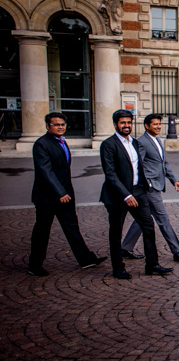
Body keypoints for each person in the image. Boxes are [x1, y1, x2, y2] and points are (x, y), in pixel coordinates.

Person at [28, 112, 107, 276]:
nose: (60, 127)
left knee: (72, 228)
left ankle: (86, 259)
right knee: (42, 231)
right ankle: (34, 266)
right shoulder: (41, 144)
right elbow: (45, 172)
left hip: (66, 195)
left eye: (62, 124)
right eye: (56, 124)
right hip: (47, 197)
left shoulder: (62, 141)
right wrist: (60, 192)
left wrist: (66, 192)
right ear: (48, 126)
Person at [100, 110, 172, 279]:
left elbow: (139, 167)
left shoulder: (134, 143)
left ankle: (152, 264)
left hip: (138, 191)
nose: (126, 126)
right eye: (122, 123)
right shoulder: (108, 144)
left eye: (128, 122)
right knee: (116, 232)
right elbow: (110, 174)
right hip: (118, 196)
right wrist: (126, 195)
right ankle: (118, 268)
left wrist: (146, 185)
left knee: (148, 226)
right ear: (115, 124)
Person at [120, 114, 179, 262]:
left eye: (159, 124)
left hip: (155, 185)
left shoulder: (156, 140)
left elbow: (163, 163)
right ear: (147, 126)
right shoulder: (142, 142)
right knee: (163, 218)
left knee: (143, 217)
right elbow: (137, 165)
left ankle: (125, 247)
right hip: (150, 187)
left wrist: (174, 179)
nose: (158, 126)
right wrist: (147, 183)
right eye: (155, 124)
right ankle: (177, 251)